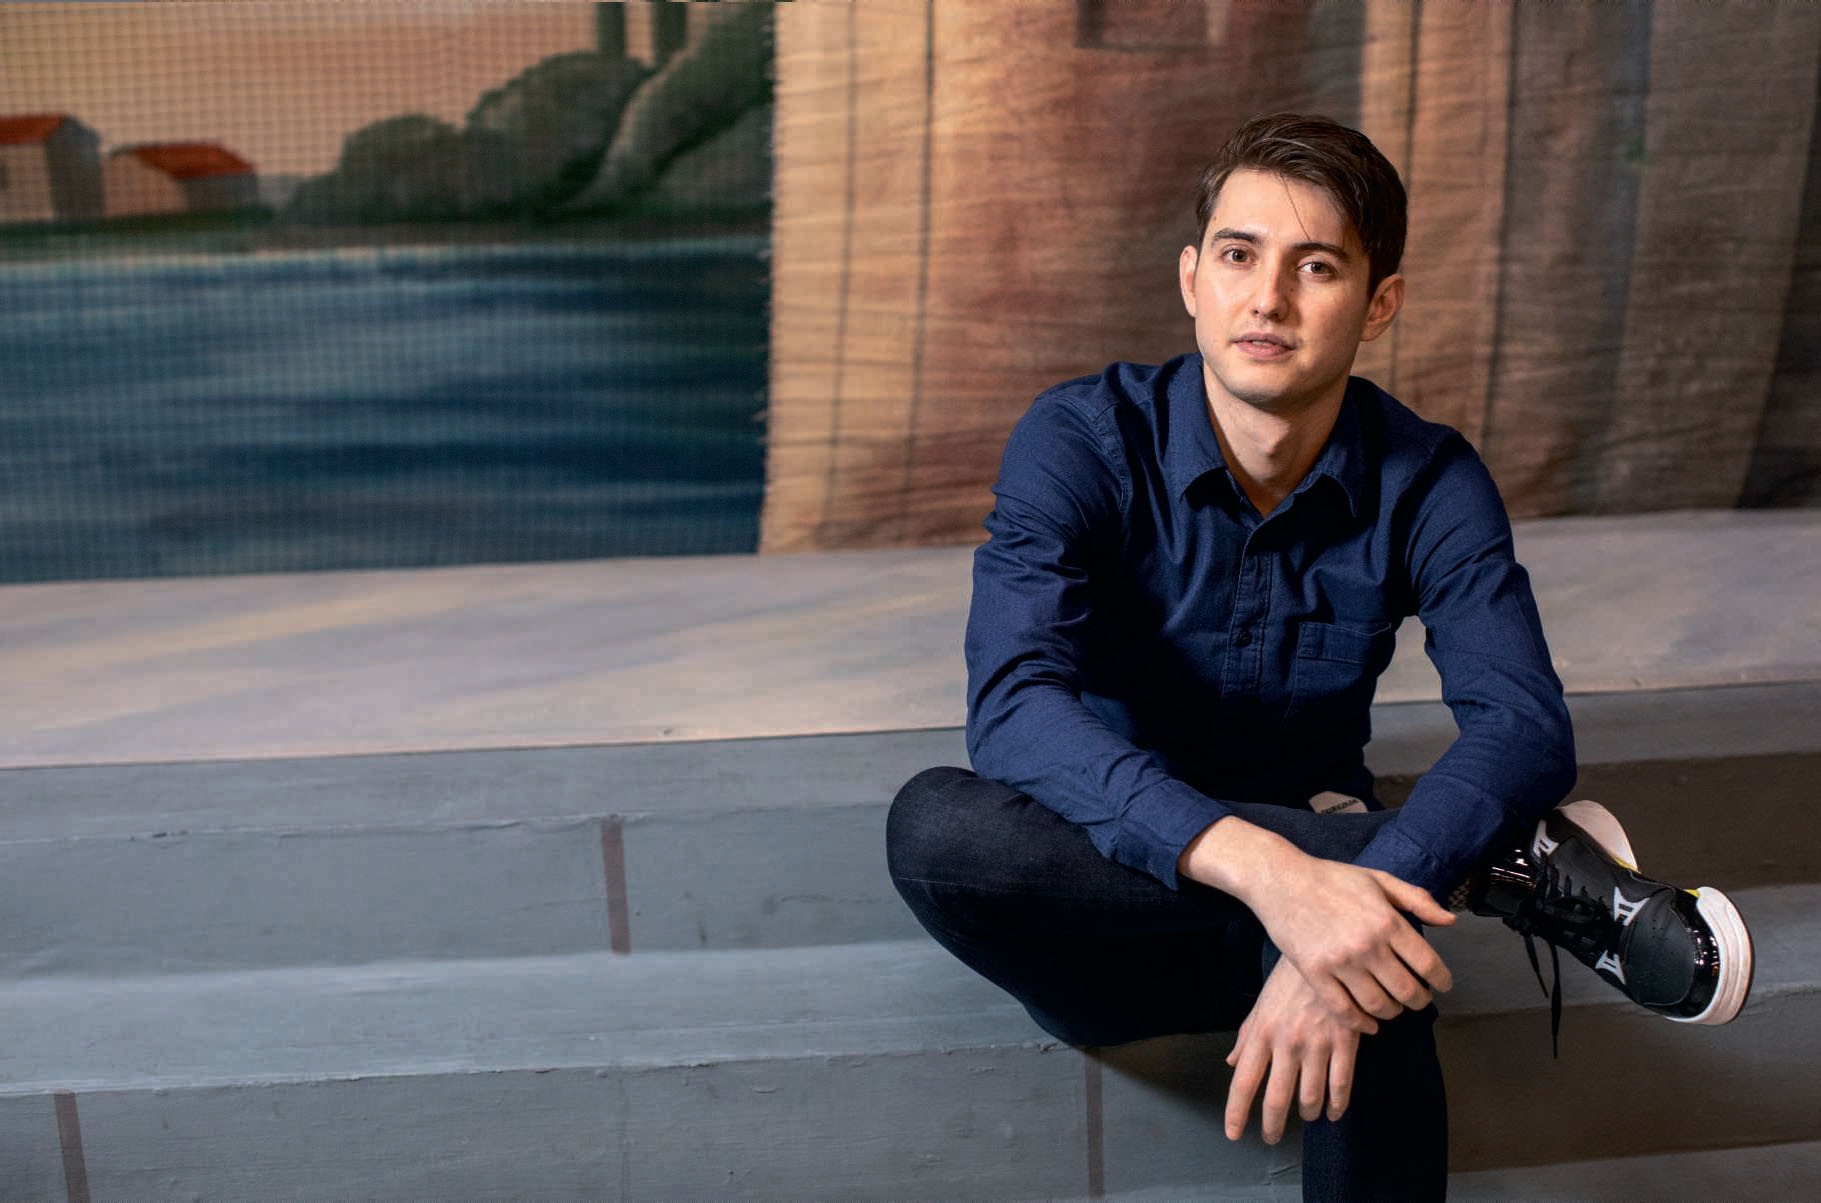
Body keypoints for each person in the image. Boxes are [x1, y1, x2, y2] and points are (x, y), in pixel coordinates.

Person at [885, 113, 1754, 1200]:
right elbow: (1015, 708)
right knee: (936, 829)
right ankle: (1491, 864)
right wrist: (1299, 874)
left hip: (1324, 918)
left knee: (1361, 956)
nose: (1268, 300)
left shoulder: (1428, 478)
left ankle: (1384, 877)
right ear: (1193, 279)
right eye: (1239, 256)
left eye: (1317, 267)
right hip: (1102, 911)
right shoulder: (1081, 439)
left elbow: (1524, 722)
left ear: (1379, 303)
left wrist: (1341, 904)